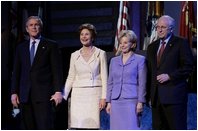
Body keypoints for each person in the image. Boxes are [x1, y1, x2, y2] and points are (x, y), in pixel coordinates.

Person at [11, 16, 63, 129]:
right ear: (27, 28)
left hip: (44, 95)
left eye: (36, 24)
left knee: (44, 126)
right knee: (28, 127)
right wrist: (14, 92)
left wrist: (58, 91)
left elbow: (57, 70)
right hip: (25, 96)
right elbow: (16, 72)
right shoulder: (21, 48)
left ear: (41, 27)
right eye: (31, 25)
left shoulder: (51, 45)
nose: (34, 27)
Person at [146, 15, 194, 130]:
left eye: (163, 27)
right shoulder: (152, 47)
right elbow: (149, 72)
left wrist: (170, 76)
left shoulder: (181, 43)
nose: (160, 30)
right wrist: (148, 95)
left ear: (171, 29)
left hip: (174, 97)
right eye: (158, 27)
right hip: (156, 98)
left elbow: (188, 67)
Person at [63, 23, 108, 129]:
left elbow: (105, 77)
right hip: (78, 95)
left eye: (87, 34)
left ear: (92, 37)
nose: (84, 37)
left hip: (94, 94)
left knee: (94, 125)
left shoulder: (100, 53)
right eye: (82, 34)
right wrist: (63, 95)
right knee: (79, 125)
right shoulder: (74, 55)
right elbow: (71, 77)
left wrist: (104, 97)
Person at [106, 30, 147, 129]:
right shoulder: (113, 61)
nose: (122, 45)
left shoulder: (140, 59)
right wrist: (109, 102)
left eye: (125, 42)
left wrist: (140, 102)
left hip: (131, 101)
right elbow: (110, 82)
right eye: (121, 43)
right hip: (115, 101)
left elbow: (142, 82)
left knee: (131, 127)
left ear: (133, 44)